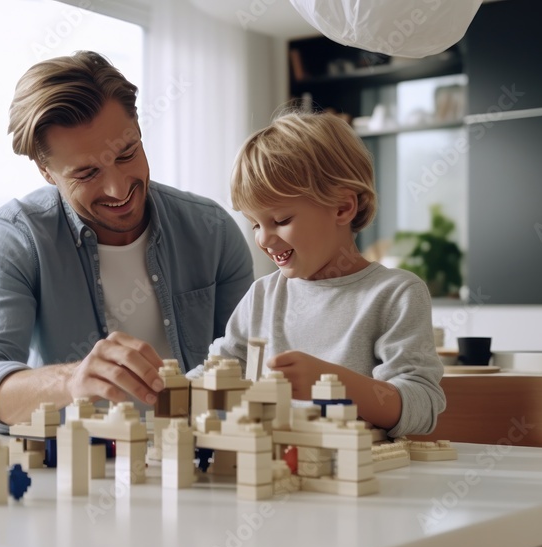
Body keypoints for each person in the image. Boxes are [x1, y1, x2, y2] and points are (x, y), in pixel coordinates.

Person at [0, 51, 254, 433]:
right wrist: (70, 381)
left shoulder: (212, 230)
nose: (118, 187)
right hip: (77, 474)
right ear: (46, 171)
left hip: (194, 466)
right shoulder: (18, 237)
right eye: (87, 173)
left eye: (127, 153)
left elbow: (249, 368)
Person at [189, 111, 445, 437]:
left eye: (280, 220)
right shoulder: (262, 296)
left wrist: (333, 384)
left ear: (342, 208)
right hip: (274, 473)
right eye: (256, 224)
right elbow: (219, 371)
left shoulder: (395, 294)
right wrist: (163, 390)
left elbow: (421, 405)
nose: (264, 239)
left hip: (361, 479)